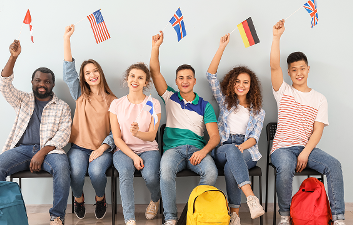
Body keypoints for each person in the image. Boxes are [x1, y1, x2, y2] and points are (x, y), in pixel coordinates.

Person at [0, 40, 72, 225]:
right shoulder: (22, 100)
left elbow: (64, 135)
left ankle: (57, 216)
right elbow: (4, 86)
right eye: (38, 80)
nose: (42, 84)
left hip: (50, 151)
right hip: (21, 149)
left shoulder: (62, 106)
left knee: (62, 168)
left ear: (53, 84)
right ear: (32, 82)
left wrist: (42, 152)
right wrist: (13, 57)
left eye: (47, 81)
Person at [270, 20, 345, 225]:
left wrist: (305, 152)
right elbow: (273, 66)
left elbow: (318, 131)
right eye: (294, 70)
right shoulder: (283, 91)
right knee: (285, 165)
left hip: (307, 148)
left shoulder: (320, 98)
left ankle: (338, 217)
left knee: (334, 165)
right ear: (289, 73)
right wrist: (276, 37)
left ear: (308, 69)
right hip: (282, 148)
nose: (299, 73)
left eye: (302, 68)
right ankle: (285, 216)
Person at [150, 31, 220, 225]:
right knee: (165, 170)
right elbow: (154, 72)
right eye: (181, 78)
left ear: (194, 81)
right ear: (176, 81)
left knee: (211, 173)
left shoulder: (205, 106)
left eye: (189, 77)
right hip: (174, 150)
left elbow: (214, 137)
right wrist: (156, 47)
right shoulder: (169, 97)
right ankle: (171, 218)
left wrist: (204, 151)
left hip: (198, 150)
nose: (185, 81)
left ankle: (190, 213)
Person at [206, 33, 265, 225]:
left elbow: (254, 138)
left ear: (251, 86)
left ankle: (235, 215)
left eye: (245, 82)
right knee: (231, 151)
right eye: (238, 81)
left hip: (247, 148)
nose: (241, 85)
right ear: (232, 83)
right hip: (224, 147)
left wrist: (242, 147)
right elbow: (211, 75)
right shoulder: (225, 102)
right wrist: (222, 47)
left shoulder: (258, 111)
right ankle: (251, 198)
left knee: (234, 164)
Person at [63, 25, 117, 220]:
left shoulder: (113, 101)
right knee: (76, 173)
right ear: (83, 78)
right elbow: (69, 72)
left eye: (95, 71)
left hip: (102, 149)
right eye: (87, 73)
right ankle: (78, 199)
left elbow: (115, 133)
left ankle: (100, 198)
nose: (92, 75)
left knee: (95, 172)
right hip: (79, 147)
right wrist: (67, 39)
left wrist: (102, 149)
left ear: (100, 73)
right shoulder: (80, 94)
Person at [109, 63, 162, 225]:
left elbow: (153, 135)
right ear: (127, 79)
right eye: (132, 76)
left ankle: (155, 199)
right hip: (124, 150)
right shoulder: (116, 105)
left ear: (146, 82)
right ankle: (129, 219)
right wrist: (133, 156)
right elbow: (117, 138)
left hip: (148, 149)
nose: (135, 80)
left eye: (140, 78)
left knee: (151, 176)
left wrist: (138, 133)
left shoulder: (153, 103)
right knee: (125, 172)